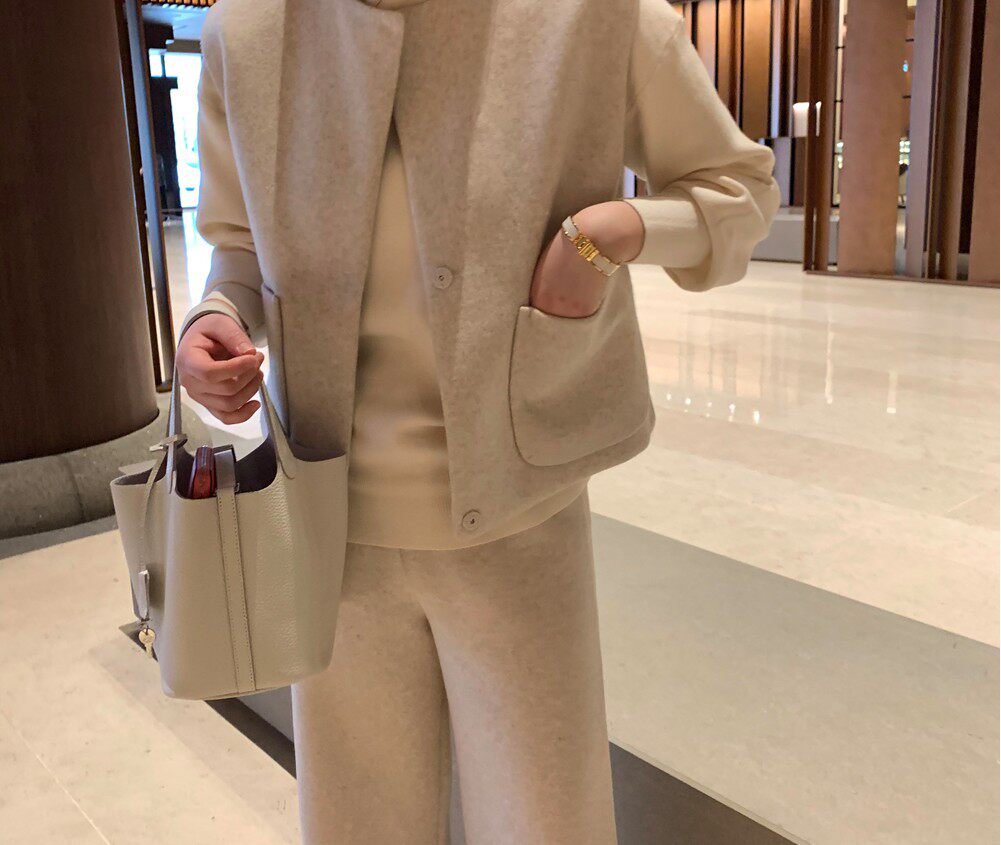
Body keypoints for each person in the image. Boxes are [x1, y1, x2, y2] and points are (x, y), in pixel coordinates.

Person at [175, 0, 780, 841]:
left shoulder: (589, 18)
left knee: (544, 823)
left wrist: (608, 232)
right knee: (356, 825)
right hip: (329, 530)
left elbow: (739, 188)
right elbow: (239, 242)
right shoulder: (249, 33)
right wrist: (216, 312)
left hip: (516, 521)